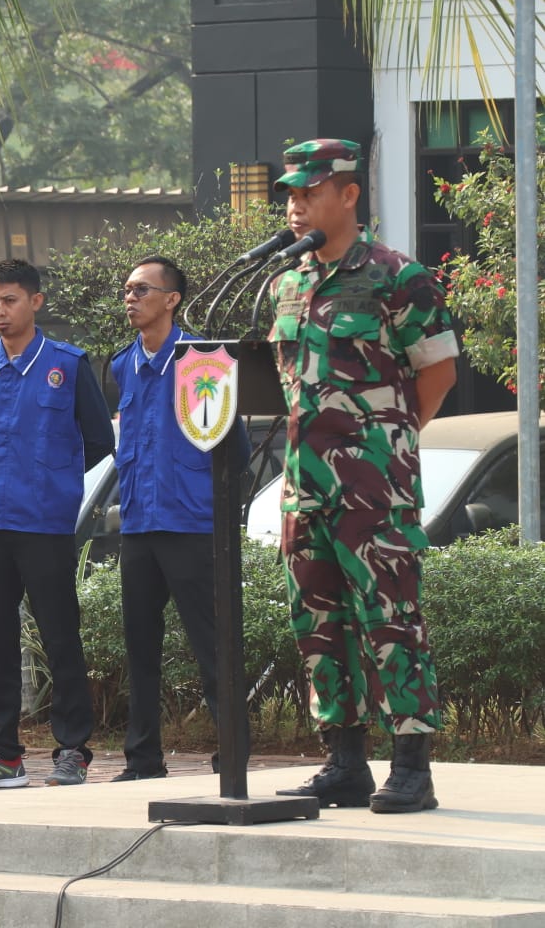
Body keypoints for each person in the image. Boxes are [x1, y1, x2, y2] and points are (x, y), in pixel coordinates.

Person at [266, 139, 457, 813]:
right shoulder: (286, 282)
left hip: (374, 488)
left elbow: (436, 372)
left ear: (349, 194)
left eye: (310, 191)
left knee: (391, 618)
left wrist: (385, 443)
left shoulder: (395, 276)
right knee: (316, 620)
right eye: (290, 193)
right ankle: (344, 760)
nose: (296, 204)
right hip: (304, 486)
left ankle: (412, 765)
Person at [0, 259, 114, 789]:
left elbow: (98, 440)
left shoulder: (66, 364)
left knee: (59, 634)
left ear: (36, 302)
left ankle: (72, 749)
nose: (0, 311)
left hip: (43, 522)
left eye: (10, 300)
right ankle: (3, 752)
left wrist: (52, 476)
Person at [110, 255, 250, 782]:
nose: (130, 297)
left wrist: (210, 502)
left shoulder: (202, 361)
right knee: (140, 645)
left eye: (142, 289)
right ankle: (143, 758)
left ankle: (231, 753)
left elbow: (234, 446)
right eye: (126, 289)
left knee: (212, 644)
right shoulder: (123, 365)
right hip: (140, 525)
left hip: (192, 524)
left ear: (172, 299)